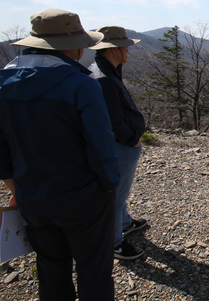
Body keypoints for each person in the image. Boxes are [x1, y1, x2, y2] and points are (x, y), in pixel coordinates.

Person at [0, 9, 119, 301]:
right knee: (93, 271)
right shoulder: (81, 85)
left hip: (31, 198)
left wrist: (15, 188)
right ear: (67, 45)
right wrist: (109, 185)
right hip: (83, 196)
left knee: (50, 268)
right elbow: (101, 145)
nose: (83, 49)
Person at [88, 26, 147, 260]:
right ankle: (114, 242)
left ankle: (124, 222)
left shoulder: (108, 71)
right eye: (125, 47)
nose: (128, 51)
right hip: (121, 146)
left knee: (121, 191)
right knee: (117, 194)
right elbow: (113, 121)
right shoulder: (103, 79)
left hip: (123, 144)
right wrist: (132, 139)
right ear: (113, 49)